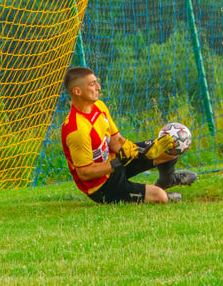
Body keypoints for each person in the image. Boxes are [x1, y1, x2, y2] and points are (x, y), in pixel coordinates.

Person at [60, 66, 197, 204]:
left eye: (97, 82)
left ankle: (167, 180)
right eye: (92, 84)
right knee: (160, 196)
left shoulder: (99, 106)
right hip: (102, 187)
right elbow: (85, 173)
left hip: (116, 163)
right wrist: (118, 162)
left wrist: (143, 151)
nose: (99, 87)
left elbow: (116, 140)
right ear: (77, 91)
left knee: (169, 146)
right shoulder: (76, 130)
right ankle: (162, 195)